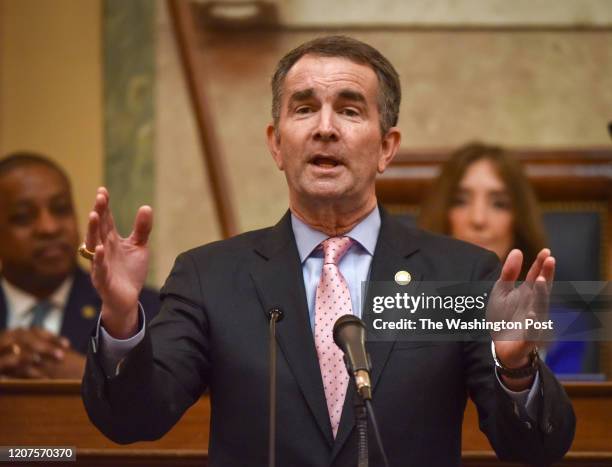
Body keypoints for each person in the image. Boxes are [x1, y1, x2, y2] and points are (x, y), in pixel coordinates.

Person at [81, 36, 574, 466]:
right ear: (276, 144)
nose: (325, 127)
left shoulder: (458, 275)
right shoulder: (210, 276)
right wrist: (122, 320)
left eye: (350, 109)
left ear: (387, 147)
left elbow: (533, 448)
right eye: (303, 108)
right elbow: (131, 420)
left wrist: (516, 369)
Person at [419, 142, 588, 374]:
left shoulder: (563, 325)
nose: (478, 219)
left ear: (518, 222)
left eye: (499, 204)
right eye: (461, 201)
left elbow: (569, 408)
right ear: (442, 214)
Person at [0, 152, 160, 379]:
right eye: (24, 216)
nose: (49, 227)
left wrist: (85, 374)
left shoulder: (142, 310)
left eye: (61, 209)